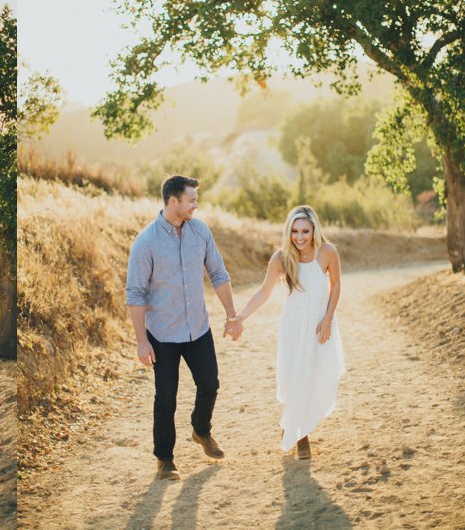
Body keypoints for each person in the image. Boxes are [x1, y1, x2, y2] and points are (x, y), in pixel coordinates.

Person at [126, 175, 241, 481]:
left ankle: (201, 431)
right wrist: (141, 341)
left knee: (210, 384)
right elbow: (135, 294)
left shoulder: (200, 230)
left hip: (198, 329)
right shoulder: (146, 241)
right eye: (191, 200)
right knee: (166, 397)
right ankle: (165, 459)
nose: (196, 205)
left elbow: (218, 272)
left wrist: (231, 315)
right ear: (173, 201)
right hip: (162, 333)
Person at [229, 205, 345, 459]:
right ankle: (301, 436)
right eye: (294, 231)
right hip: (293, 326)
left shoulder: (327, 252)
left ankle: (292, 424)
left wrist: (327, 321)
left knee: (315, 375)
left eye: (305, 230)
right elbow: (264, 292)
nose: (300, 237)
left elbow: (335, 286)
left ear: (314, 229)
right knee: (296, 377)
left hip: (319, 325)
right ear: (288, 231)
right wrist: (240, 317)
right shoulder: (282, 258)